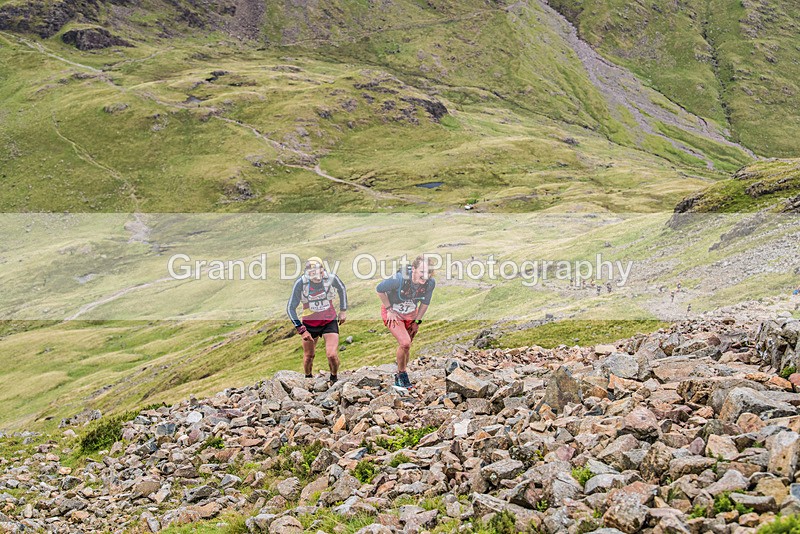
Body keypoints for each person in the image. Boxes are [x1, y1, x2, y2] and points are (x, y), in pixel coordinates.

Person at [376, 255, 436, 390]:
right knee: (405, 343)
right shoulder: (399, 279)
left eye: (428, 272)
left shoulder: (430, 283)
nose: (425, 276)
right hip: (393, 312)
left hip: (411, 313)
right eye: (422, 271)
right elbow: (379, 289)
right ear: (413, 269)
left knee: (406, 347)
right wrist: (389, 309)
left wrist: (417, 321)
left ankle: (400, 374)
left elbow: (425, 303)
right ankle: (402, 376)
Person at [287, 257, 348, 384]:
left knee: (331, 355)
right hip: (309, 324)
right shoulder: (301, 283)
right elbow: (290, 308)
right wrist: (302, 330)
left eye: (319, 272)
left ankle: (334, 378)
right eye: (312, 273)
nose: (316, 276)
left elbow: (342, 288)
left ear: (322, 270)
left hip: (329, 321)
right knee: (309, 356)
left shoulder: (330, 278)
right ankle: (308, 380)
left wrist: (343, 310)